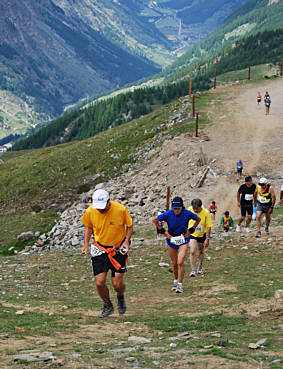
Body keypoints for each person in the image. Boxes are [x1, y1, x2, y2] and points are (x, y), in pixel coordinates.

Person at [81, 189, 133, 318]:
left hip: (118, 249)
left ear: (109, 202)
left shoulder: (120, 209)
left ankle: (120, 297)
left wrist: (126, 242)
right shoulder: (90, 211)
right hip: (99, 248)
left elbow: (129, 226)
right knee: (99, 282)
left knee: (117, 284)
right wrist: (86, 244)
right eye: (98, 208)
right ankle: (107, 304)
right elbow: (88, 226)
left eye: (103, 207)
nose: (100, 210)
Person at [152, 196, 201, 293]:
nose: (176, 210)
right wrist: (163, 231)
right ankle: (175, 280)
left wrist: (191, 230)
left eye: (178, 208)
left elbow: (198, 219)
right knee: (174, 264)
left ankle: (180, 284)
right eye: (174, 208)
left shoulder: (186, 213)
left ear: (181, 207)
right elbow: (155, 220)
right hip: (172, 239)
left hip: (183, 238)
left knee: (180, 261)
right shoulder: (169, 213)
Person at [188, 199, 212, 276]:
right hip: (192, 234)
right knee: (192, 251)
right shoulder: (189, 210)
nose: (195, 210)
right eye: (194, 208)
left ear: (200, 207)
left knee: (201, 251)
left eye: (197, 209)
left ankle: (200, 266)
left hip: (202, 234)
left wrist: (207, 239)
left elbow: (208, 226)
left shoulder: (206, 213)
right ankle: (192, 270)